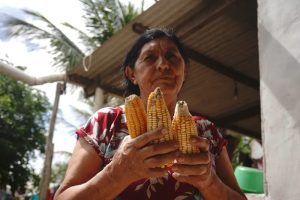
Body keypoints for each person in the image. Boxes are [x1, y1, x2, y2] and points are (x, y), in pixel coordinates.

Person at [54, 28, 246, 200]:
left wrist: (210, 183)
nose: (163, 65)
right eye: (150, 58)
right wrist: (117, 173)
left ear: (184, 71)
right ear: (131, 74)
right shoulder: (105, 123)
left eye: (172, 57)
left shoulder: (206, 131)